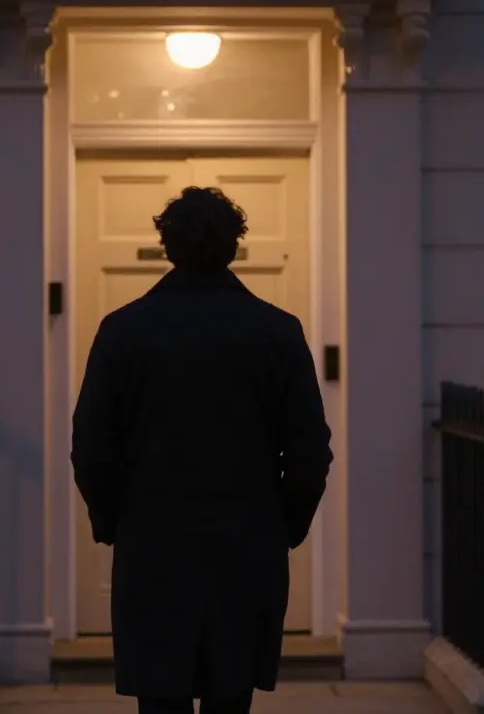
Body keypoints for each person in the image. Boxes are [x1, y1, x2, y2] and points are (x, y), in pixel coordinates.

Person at [71, 186, 334, 714]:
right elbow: (309, 453)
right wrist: (285, 526)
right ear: (234, 247)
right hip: (247, 541)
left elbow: (92, 449)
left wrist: (112, 521)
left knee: (159, 698)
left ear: (167, 246)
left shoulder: (124, 331)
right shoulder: (277, 333)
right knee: (230, 697)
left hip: (153, 541)